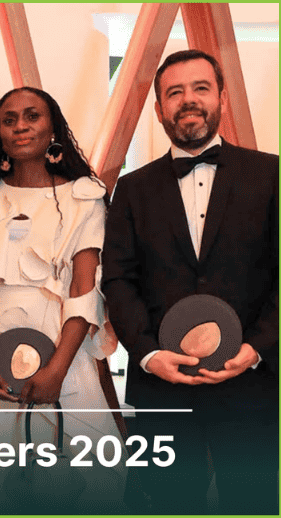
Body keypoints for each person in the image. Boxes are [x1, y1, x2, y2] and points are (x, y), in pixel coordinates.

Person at [101, 49, 278, 514]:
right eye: (174, 92)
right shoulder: (132, 188)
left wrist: (256, 348)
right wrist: (148, 354)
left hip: (253, 385)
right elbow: (118, 280)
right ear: (159, 109)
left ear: (221, 97)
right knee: (165, 507)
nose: (188, 100)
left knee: (254, 504)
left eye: (200, 87)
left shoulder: (272, 175)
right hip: (162, 388)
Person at [0, 87, 125, 513]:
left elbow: (84, 290)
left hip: (66, 357)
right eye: (9, 120)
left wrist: (57, 371)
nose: (21, 126)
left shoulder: (85, 197)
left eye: (32, 116)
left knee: (99, 478)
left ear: (53, 129)